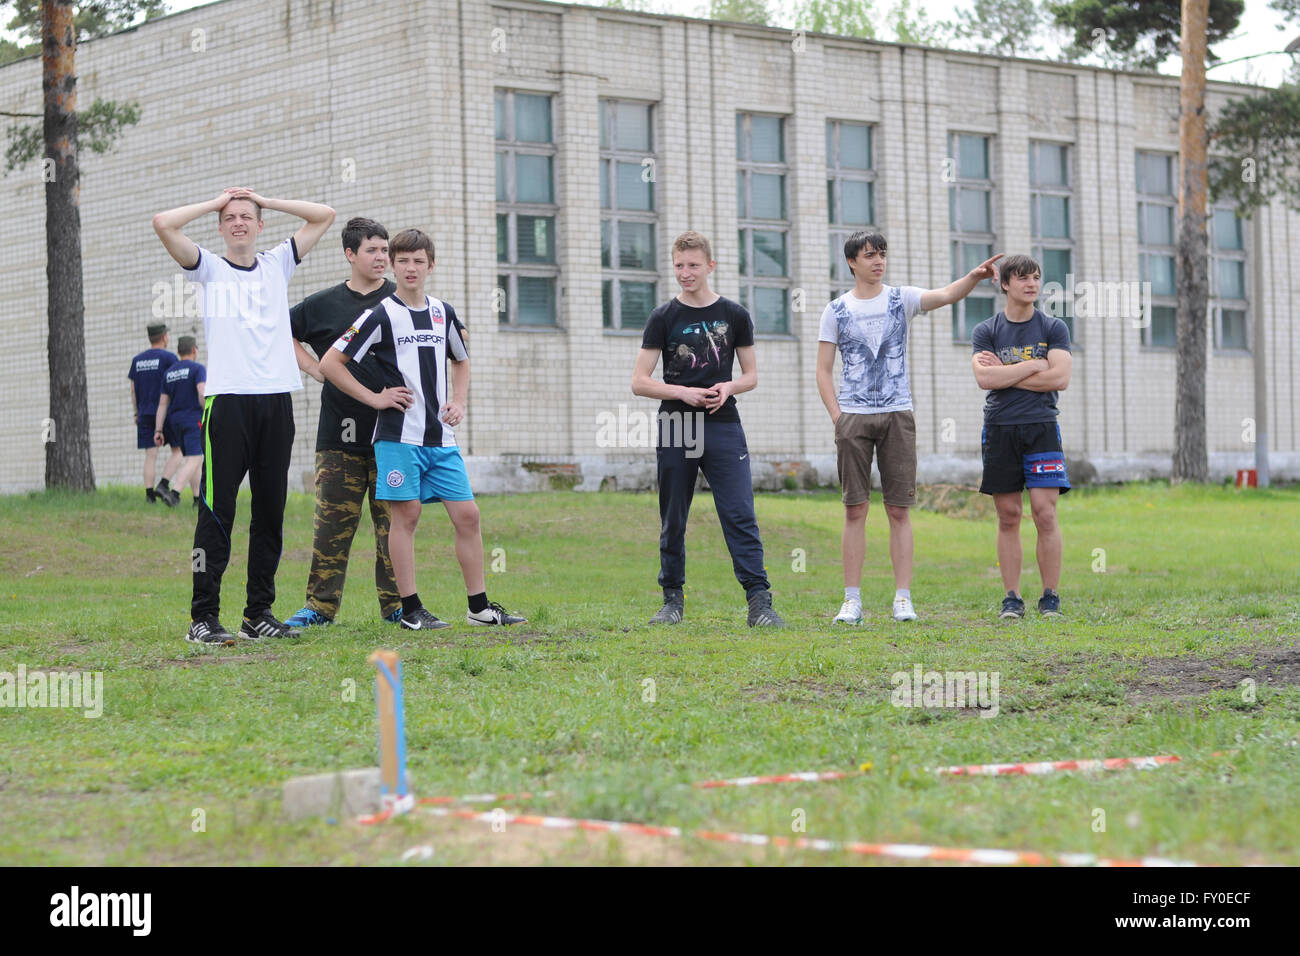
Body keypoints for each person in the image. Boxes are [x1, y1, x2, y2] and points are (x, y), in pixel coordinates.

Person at [152, 186, 335, 644]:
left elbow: (324, 215)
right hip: (228, 405)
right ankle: (203, 616)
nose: (238, 222)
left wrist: (267, 200)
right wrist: (213, 201)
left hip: (276, 401)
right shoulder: (209, 269)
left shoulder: (278, 263)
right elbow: (163, 224)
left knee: (270, 511)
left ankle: (258, 613)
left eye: (246, 216)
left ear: (259, 225)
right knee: (218, 511)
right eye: (229, 217)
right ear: (220, 225)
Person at [319, 228, 525, 630]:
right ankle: (411, 610)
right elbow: (330, 363)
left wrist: (459, 400)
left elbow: (461, 359)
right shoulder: (379, 315)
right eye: (402, 261)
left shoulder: (442, 312)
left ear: (431, 265)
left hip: (441, 439)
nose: (410, 268)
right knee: (407, 517)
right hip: (398, 438)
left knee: (468, 515)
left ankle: (479, 608)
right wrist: (376, 398)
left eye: (418, 261)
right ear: (392, 266)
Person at [816, 231, 1002, 624]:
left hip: (898, 414)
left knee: (899, 509)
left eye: (882, 254)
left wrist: (973, 277)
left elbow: (946, 295)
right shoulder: (836, 310)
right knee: (855, 509)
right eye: (870, 255)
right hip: (853, 417)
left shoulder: (902, 299)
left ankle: (903, 597)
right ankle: (852, 600)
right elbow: (822, 370)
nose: (878, 261)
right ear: (852, 261)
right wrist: (839, 418)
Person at [631, 230, 784, 627]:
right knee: (674, 515)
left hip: (723, 425)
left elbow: (751, 375)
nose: (685, 272)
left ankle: (759, 603)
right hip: (677, 424)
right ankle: (672, 600)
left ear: (710, 266)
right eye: (679, 265)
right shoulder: (663, 317)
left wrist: (728, 386)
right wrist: (683, 393)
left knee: (739, 513)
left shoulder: (734, 315)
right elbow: (640, 382)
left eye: (693, 265)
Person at [283, 218, 403, 628]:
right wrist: (315, 369)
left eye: (385, 250)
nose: (381, 258)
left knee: (393, 527)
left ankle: (399, 606)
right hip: (338, 437)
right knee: (331, 528)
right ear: (350, 254)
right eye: (372, 250)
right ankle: (319, 608)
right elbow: (282, 330)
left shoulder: (401, 301)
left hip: (394, 436)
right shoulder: (323, 305)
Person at [970, 254, 1072, 619]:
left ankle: (1050, 597)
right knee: (1009, 515)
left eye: (1036, 277)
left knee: (1045, 514)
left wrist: (1008, 371)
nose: (1032, 284)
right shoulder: (986, 330)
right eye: (1023, 278)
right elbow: (985, 380)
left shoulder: (1053, 328)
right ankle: (1012, 598)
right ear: (1005, 284)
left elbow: (1059, 379)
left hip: (1041, 427)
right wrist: (1033, 366)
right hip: (1000, 429)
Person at [128, 323, 181, 505]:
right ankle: (164, 483)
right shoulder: (169, 358)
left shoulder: (137, 361)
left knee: (150, 455)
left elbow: (133, 390)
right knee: (178, 451)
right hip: (165, 412)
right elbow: (176, 383)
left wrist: (137, 413)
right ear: (164, 337)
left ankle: (149, 496)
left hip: (145, 413)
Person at [153, 335, 206, 506]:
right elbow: (201, 394)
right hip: (193, 420)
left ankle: (198, 499)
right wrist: (209, 411)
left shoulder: (169, 373)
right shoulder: (198, 369)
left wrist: (158, 430)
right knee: (195, 458)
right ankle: (175, 493)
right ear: (194, 350)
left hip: (175, 422)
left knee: (193, 458)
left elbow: (162, 404)